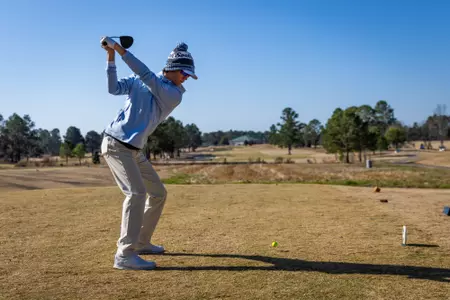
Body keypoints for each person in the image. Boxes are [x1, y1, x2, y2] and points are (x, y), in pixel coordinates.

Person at [99, 36, 198, 270]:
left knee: (158, 193)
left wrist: (118, 48)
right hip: (117, 144)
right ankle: (124, 255)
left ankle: (141, 242)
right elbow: (113, 88)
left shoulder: (174, 94)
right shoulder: (141, 80)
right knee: (136, 193)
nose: (186, 78)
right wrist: (110, 56)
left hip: (134, 150)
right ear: (173, 69)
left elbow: (146, 75)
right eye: (184, 72)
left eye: (189, 75)